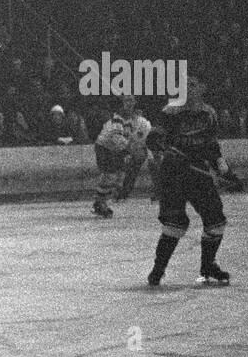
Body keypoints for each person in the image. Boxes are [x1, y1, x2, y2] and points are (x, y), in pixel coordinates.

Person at [145, 75, 238, 287]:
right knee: (175, 225)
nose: (187, 88)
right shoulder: (169, 111)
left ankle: (207, 267)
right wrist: (165, 149)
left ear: (202, 88)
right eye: (184, 85)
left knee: (216, 221)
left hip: (198, 173)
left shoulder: (209, 114)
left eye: (192, 85)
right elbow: (153, 140)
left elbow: (212, 148)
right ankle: (157, 270)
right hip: (173, 174)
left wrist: (225, 171)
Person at [91, 107, 130, 218]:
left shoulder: (129, 121)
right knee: (110, 176)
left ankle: (100, 202)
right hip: (105, 148)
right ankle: (99, 203)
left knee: (117, 176)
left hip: (112, 148)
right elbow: (116, 139)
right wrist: (128, 148)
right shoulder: (118, 120)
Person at [116, 94, 152, 201]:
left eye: (131, 100)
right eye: (126, 100)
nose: (129, 103)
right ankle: (118, 191)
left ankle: (123, 192)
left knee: (135, 161)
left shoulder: (143, 122)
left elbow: (147, 139)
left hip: (138, 149)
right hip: (122, 149)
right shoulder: (117, 119)